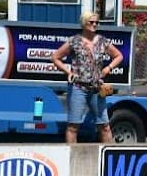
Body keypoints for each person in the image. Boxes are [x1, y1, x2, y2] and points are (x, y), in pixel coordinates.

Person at [51, 12, 124, 145]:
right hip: (78, 87)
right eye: (91, 22)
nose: (95, 24)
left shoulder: (103, 41)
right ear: (84, 23)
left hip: (97, 88)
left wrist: (109, 68)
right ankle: (72, 158)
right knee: (73, 126)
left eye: (96, 22)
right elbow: (55, 57)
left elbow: (119, 55)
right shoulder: (74, 41)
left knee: (105, 126)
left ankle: (108, 157)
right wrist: (68, 71)